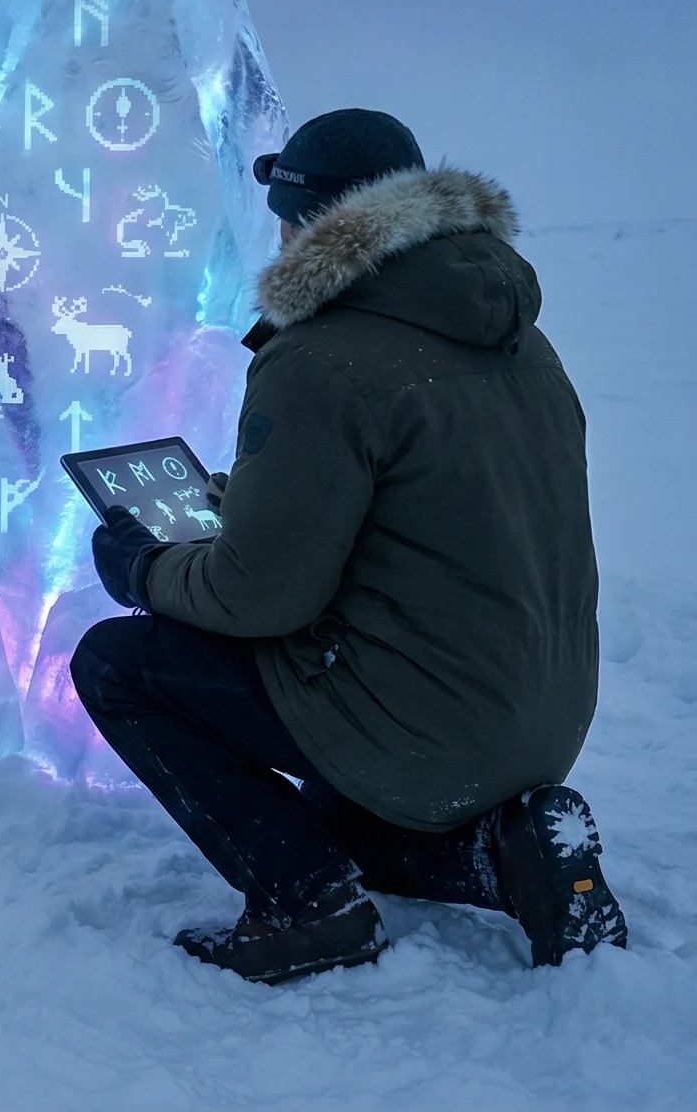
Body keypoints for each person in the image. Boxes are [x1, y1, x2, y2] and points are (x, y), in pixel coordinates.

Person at [71, 109, 626, 984]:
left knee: (119, 661)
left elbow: (260, 596)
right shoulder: (516, 336)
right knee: (337, 808)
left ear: (302, 224)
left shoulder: (322, 357)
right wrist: (247, 495)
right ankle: (508, 850)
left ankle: (306, 908)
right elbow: (420, 499)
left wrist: (143, 568)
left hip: (423, 727)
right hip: (538, 718)